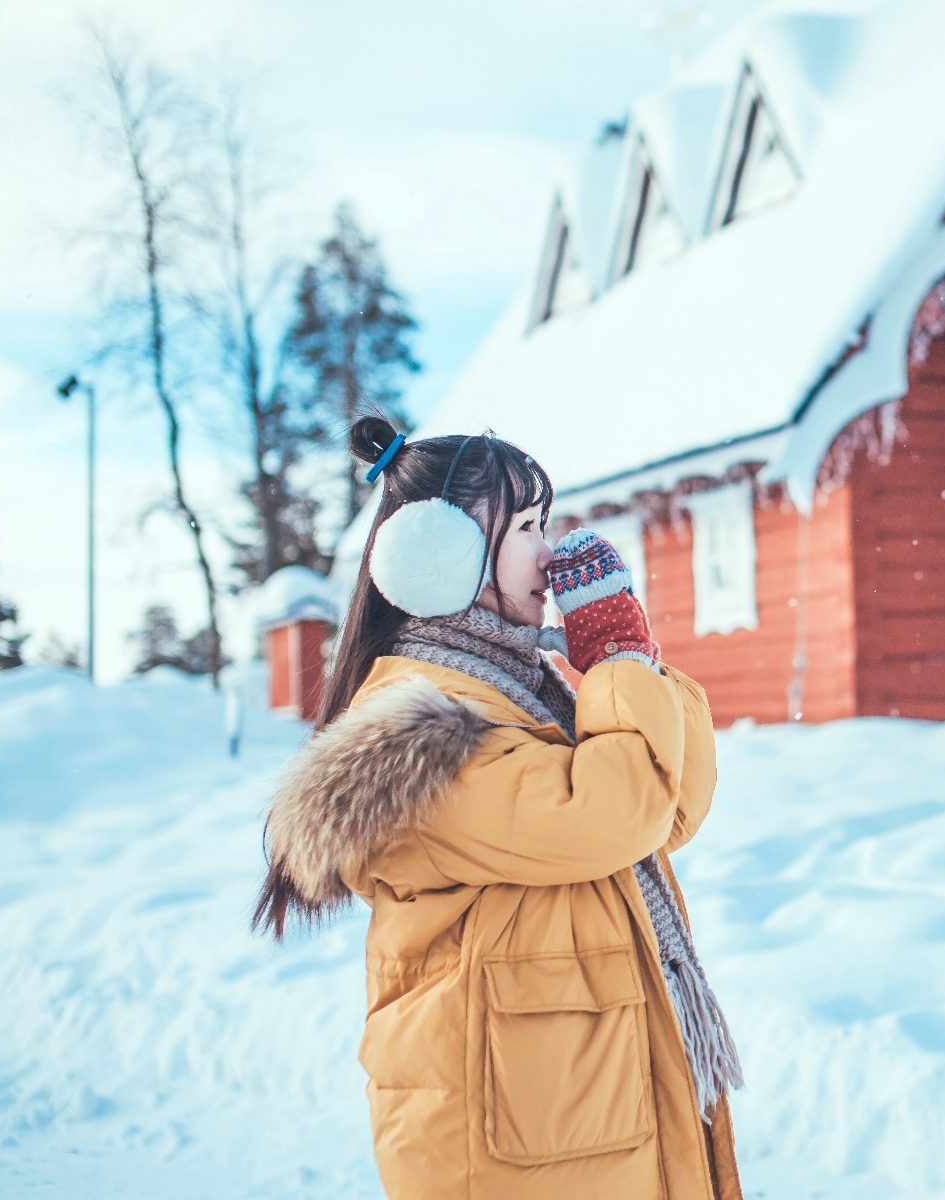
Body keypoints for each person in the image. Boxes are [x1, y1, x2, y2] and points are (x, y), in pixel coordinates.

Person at [254, 417, 744, 1200]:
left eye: (545, 521)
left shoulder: (516, 691)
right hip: (515, 1142)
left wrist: (637, 664)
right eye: (524, 526)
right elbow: (614, 817)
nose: (549, 549)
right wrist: (614, 665)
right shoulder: (425, 735)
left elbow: (669, 810)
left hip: (571, 1109)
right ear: (440, 554)